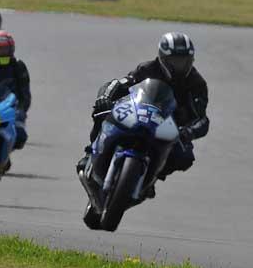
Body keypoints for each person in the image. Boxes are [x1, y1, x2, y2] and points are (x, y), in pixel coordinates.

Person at [77, 32, 209, 197]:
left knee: (184, 156)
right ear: (163, 58)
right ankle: (90, 152)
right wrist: (105, 97)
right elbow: (121, 84)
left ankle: (152, 177)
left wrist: (188, 132)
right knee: (103, 112)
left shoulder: (197, 83)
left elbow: (202, 118)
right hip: (139, 112)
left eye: (184, 61)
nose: (180, 66)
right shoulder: (148, 68)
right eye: (175, 61)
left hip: (168, 126)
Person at [0, 31, 30, 149]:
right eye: (1, 49)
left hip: (8, 110)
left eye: (7, 49)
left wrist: (20, 111)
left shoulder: (18, 66)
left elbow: (25, 94)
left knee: (20, 136)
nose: (4, 53)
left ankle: (5, 156)